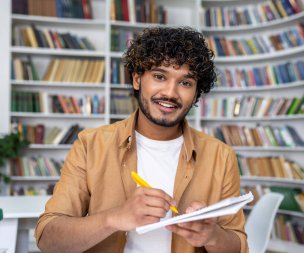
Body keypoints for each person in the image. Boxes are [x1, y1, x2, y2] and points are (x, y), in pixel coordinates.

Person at [35, 26, 248, 253]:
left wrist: (212, 235)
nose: (170, 93)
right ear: (137, 79)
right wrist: (115, 218)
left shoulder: (220, 156)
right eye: (159, 76)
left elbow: (239, 246)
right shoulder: (91, 145)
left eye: (185, 83)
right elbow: (48, 239)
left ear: (196, 93)